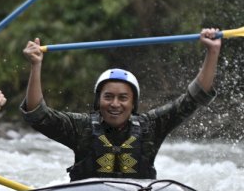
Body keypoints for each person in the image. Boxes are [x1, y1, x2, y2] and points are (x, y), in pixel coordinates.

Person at [20, 28, 221, 181]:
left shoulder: (150, 126)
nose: (115, 104)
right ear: (98, 101)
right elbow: (38, 115)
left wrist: (212, 52)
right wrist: (36, 65)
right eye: (108, 97)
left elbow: (194, 98)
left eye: (123, 98)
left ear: (133, 103)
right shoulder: (81, 127)